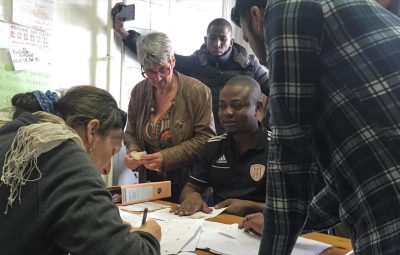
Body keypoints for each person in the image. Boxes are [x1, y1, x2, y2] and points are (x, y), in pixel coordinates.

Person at [232, 0, 400, 254]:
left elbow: (290, 159)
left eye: (247, 38)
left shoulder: (285, 7)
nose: (256, 54)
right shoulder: (355, 17)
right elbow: (347, 185)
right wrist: (276, 222)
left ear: (257, 17)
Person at [0, 86, 161, 255]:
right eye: (112, 152)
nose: (107, 169)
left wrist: (108, 232)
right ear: (92, 131)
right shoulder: (62, 154)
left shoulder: (19, 131)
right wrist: (149, 236)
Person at [111, 3, 269, 134]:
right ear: (206, 39)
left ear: (231, 41)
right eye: (213, 38)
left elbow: (276, 89)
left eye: (223, 39)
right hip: (206, 138)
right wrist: (123, 33)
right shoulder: (194, 63)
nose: (217, 43)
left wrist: (268, 127)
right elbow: (161, 56)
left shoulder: (249, 65)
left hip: (242, 137)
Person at [124, 32, 216, 203]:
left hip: (189, 186)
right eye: (150, 72)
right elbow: (130, 132)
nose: (157, 78)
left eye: (163, 69)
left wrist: (167, 157)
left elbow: (206, 139)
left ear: (173, 60)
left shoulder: (198, 91)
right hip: (150, 185)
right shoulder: (139, 92)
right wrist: (134, 152)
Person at [170, 76, 269, 217]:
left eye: (237, 105)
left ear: (257, 108)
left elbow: (295, 208)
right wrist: (192, 197)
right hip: (219, 226)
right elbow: (191, 188)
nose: (227, 112)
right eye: (222, 106)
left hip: (264, 229)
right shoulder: (213, 146)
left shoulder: (278, 149)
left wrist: (250, 207)